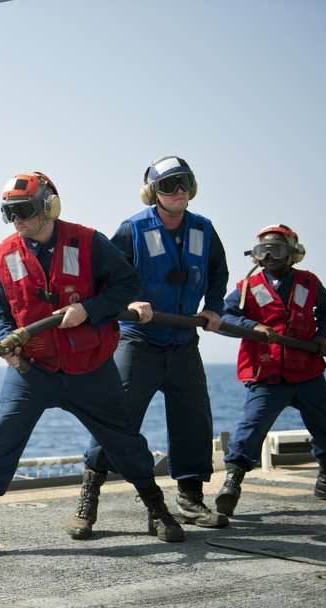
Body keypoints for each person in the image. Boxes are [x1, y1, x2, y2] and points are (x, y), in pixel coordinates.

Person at [0, 171, 185, 554]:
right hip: (34, 369)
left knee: (124, 441)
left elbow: (128, 286)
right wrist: (7, 344)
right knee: (1, 438)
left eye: (23, 210)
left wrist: (89, 309)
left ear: (49, 206)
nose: (16, 220)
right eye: (8, 213)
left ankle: (158, 510)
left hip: (90, 366)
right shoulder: (3, 256)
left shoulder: (89, 242)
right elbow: (0, 312)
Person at [77, 156, 230, 539]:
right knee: (116, 419)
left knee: (194, 418)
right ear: (153, 192)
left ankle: (191, 499)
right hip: (139, 343)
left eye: (184, 183)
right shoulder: (131, 230)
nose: (178, 191)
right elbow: (103, 279)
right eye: (168, 185)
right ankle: (88, 495)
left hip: (183, 343)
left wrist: (213, 306)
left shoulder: (204, 229)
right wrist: (127, 305)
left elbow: (217, 272)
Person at [214, 225, 326, 515]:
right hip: (267, 376)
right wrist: (253, 327)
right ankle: (232, 483)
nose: (269, 255)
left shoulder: (310, 283)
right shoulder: (246, 289)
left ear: (293, 253)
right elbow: (223, 318)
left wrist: (323, 336)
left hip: (307, 372)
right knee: (250, 429)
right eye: (262, 250)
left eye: (277, 249)